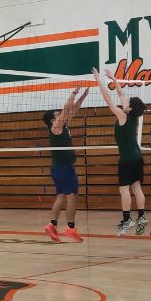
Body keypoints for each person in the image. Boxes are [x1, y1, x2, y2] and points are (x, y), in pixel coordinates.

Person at [93, 68, 148, 235]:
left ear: (130, 108)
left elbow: (109, 99)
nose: (127, 102)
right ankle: (141, 217)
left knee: (124, 189)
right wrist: (114, 78)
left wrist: (99, 80)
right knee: (136, 187)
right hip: (137, 157)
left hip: (127, 159)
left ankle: (126, 220)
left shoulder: (123, 115)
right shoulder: (132, 115)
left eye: (129, 103)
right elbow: (120, 92)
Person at [42, 87, 89, 243]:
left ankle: (51, 225)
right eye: (56, 114)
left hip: (58, 168)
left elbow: (72, 109)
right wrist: (74, 93)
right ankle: (70, 227)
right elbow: (66, 108)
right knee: (72, 197)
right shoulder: (55, 128)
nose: (60, 114)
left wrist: (83, 96)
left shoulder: (63, 126)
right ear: (51, 120)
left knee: (61, 197)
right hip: (64, 168)